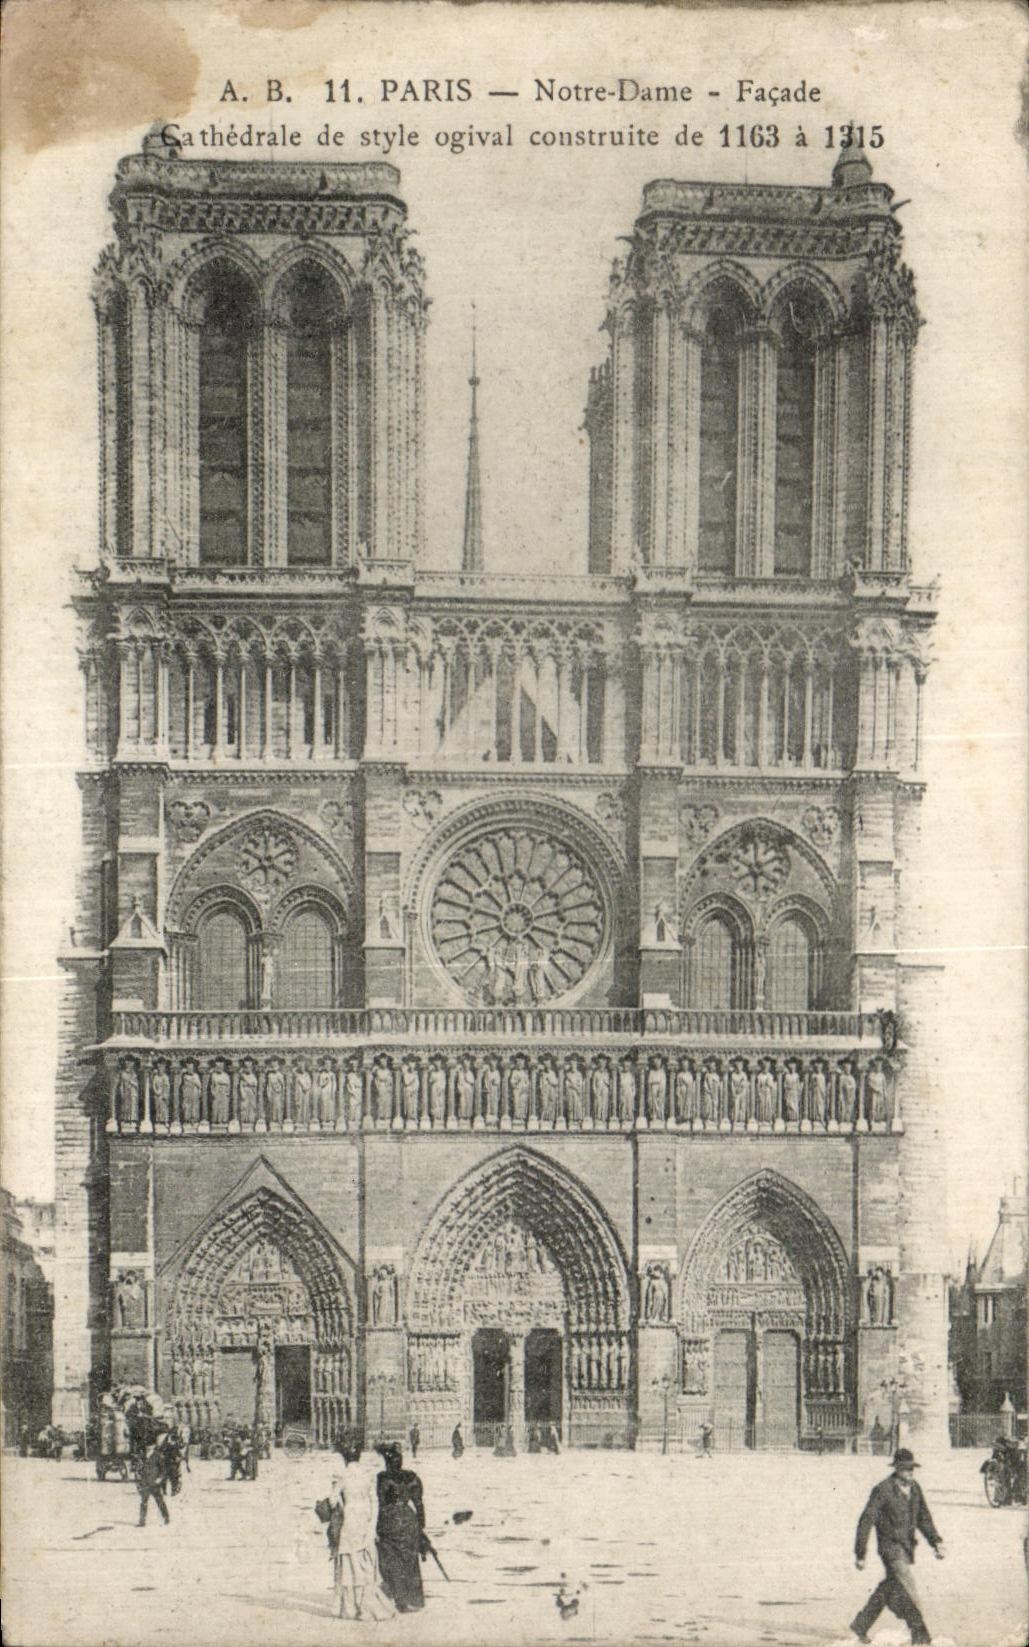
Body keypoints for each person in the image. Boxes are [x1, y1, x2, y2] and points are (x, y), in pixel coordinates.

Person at [850, 1447, 944, 1645]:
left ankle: (861, 1625)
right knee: (908, 1588)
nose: (910, 1473)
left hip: (906, 1548)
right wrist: (860, 1553)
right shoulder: (883, 1490)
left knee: (889, 1588)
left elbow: (924, 1518)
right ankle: (921, 1635)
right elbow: (866, 1520)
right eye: (905, 1469)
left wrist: (936, 1542)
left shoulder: (915, 1488)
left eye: (912, 1469)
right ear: (897, 1469)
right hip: (890, 1549)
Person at [324, 1447, 395, 1622]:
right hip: (365, 1518)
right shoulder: (367, 1474)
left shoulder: (342, 1476)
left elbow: (332, 1501)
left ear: (344, 1458)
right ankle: (368, 1607)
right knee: (365, 1562)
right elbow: (375, 1501)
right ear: (359, 1457)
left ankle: (350, 1608)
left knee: (349, 1561)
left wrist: (338, 1496)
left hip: (349, 1518)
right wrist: (372, 1524)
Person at [376, 1444, 428, 1613]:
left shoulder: (382, 1478)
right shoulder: (412, 1477)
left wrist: (377, 1525)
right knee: (410, 1560)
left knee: (391, 1560)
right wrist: (420, 1528)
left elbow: (381, 1503)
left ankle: (399, 1597)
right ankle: (413, 1598)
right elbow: (419, 1505)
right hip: (408, 1520)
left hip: (389, 1522)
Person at [137, 1433, 172, 1527]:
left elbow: (164, 1470)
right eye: (147, 1446)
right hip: (145, 1483)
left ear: (153, 1446)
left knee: (160, 1501)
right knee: (143, 1502)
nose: (148, 1448)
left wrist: (159, 1479)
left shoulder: (158, 1456)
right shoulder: (142, 1456)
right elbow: (139, 1469)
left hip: (155, 1483)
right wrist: (139, 1481)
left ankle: (166, 1518)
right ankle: (142, 1521)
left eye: (150, 1446)